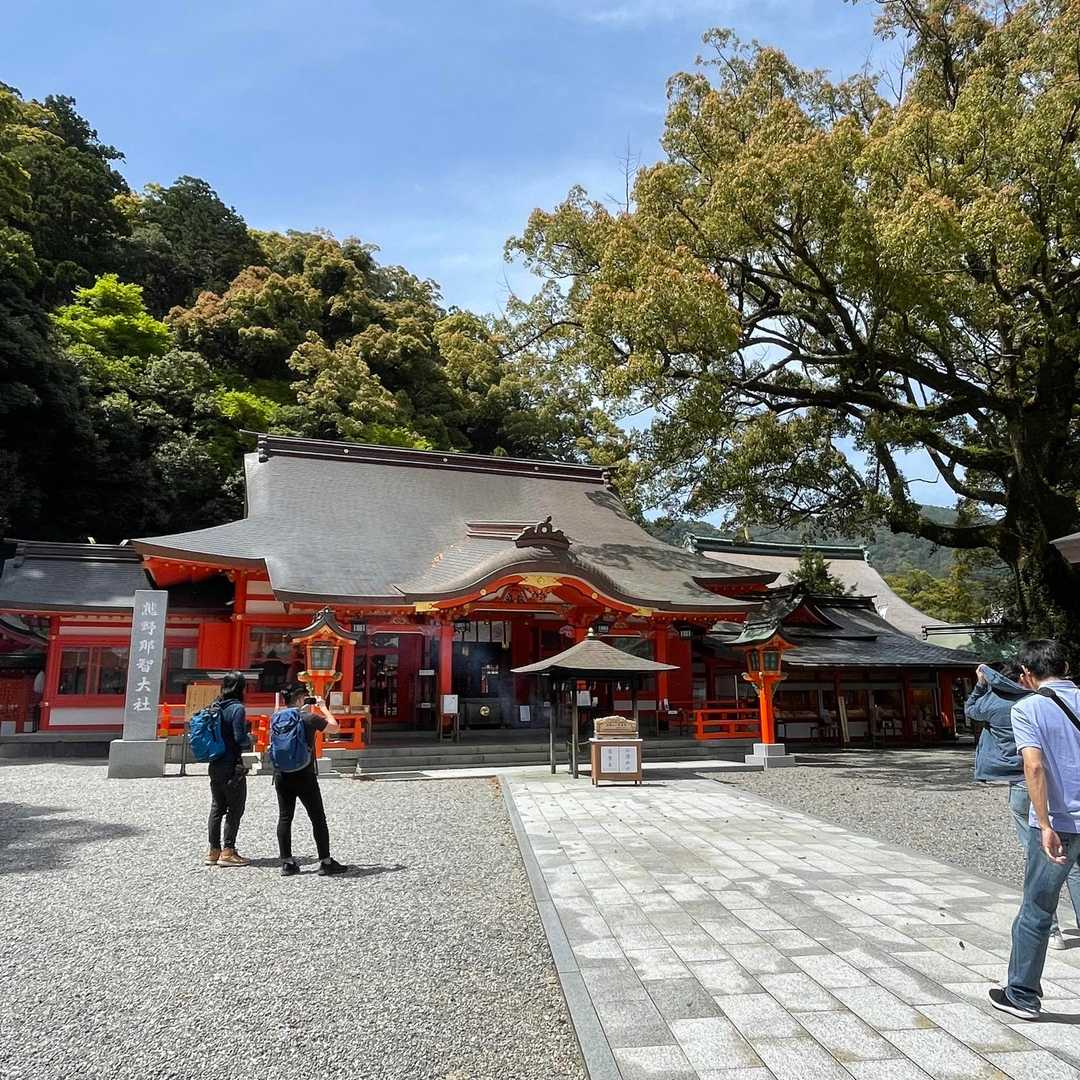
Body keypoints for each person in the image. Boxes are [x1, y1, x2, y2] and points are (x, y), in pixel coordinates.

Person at [991, 639, 1080, 1020]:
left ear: (1027, 674)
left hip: (1060, 821)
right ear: (1065, 666)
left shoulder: (1028, 708)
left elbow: (1034, 765)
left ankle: (1022, 994)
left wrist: (1044, 823)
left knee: (1038, 909)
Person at [968, 659, 1080, 950]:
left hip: (1022, 781)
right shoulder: (1042, 700)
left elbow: (970, 710)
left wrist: (981, 685)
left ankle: (1051, 930)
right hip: (1059, 785)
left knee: (1039, 858)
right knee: (1074, 864)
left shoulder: (996, 703)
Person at [272, 683, 349, 877]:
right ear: (300, 699)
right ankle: (325, 861)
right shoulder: (308, 717)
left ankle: (287, 863)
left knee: (285, 817)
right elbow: (334, 728)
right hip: (304, 774)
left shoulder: (276, 717)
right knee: (317, 817)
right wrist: (323, 707)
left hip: (281, 774)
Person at [207, 671, 252, 867]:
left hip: (215, 762)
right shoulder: (237, 709)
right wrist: (250, 739)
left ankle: (213, 851)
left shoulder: (214, 706)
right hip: (232, 764)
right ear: (240, 688)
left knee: (217, 807)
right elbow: (239, 737)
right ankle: (228, 851)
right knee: (235, 807)